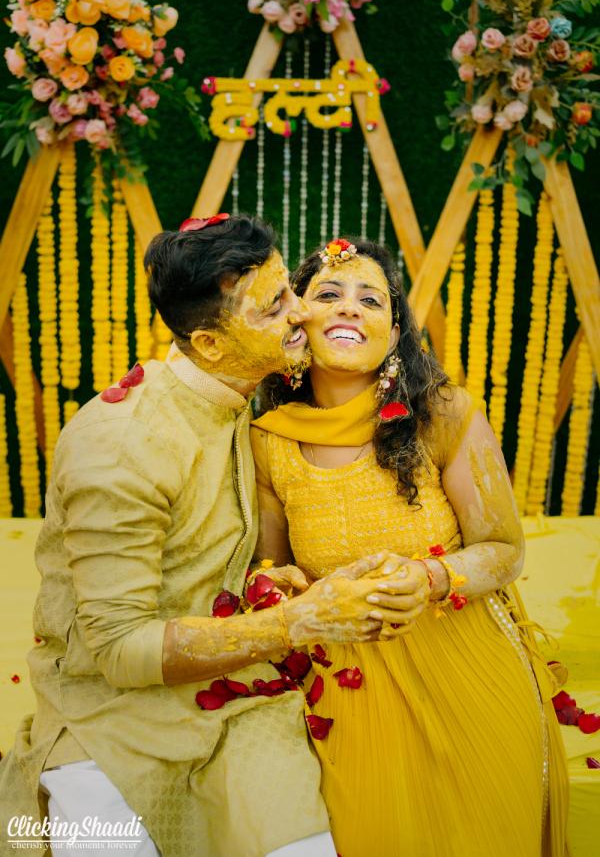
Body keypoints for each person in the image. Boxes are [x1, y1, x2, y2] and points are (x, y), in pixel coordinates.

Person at [0, 216, 402, 857]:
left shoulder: (243, 400)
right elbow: (120, 650)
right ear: (211, 344)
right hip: (109, 719)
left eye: (288, 289)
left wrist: (268, 582)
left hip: (239, 704)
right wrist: (299, 621)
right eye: (275, 305)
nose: (303, 311)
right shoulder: (123, 444)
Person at [250, 237, 570, 857]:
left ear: (394, 334)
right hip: (344, 682)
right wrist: (282, 585)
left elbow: (504, 548)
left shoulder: (442, 413)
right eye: (329, 294)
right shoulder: (268, 440)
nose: (349, 307)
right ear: (298, 321)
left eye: (371, 300)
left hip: (465, 662)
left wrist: (427, 579)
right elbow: (272, 568)